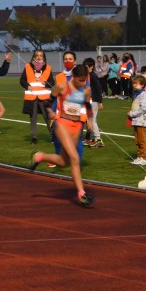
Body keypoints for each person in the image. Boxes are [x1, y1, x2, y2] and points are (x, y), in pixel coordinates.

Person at [30, 65, 94, 206]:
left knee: (64, 161)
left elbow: (88, 107)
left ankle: (39, 156)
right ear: (74, 77)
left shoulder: (86, 90)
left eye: (85, 80)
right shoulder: (62, 87)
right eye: (80, 80)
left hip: (77, 126)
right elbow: (47, 102)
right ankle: (81, 194)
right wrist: (50, 112)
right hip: (62, 123)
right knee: (75, 158)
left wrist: (89, 120)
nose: (83, 83)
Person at [20, 50, 54, 145]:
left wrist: (46, 84)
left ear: (44, 58)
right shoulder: (27, 67)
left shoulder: (48, 68)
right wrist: (27, 86)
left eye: (41, 56)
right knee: (33, 119)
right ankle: (34, 138)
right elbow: (22, 80)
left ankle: (52, 135)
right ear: (34, 57)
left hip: (44, 98)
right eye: (37, 55)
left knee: (48, 118)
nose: (39, 57)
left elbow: (52, 82)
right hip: (32, 98)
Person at [128, 75, 146, 165]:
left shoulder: (143, 94)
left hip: (141, 121)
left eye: (136, 84)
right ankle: (139, 156)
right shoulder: (136, 93)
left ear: (142, 85)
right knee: (137, 140)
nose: (134, 85)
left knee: (142, 140)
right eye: (133, 83)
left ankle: (144, 158)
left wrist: (132, 114)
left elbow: (143, 109)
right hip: (136, 120)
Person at [82, 58, 104, 148]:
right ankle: (91, 138)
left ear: (91, 67)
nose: (84, 68)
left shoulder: (93, 75)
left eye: (86, 66)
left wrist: (100, 102)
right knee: (89, 120)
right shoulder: (87, 75)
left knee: (92, 120)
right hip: (89, 101)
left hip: (94, 101)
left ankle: (98, 139)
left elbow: (99, 89)